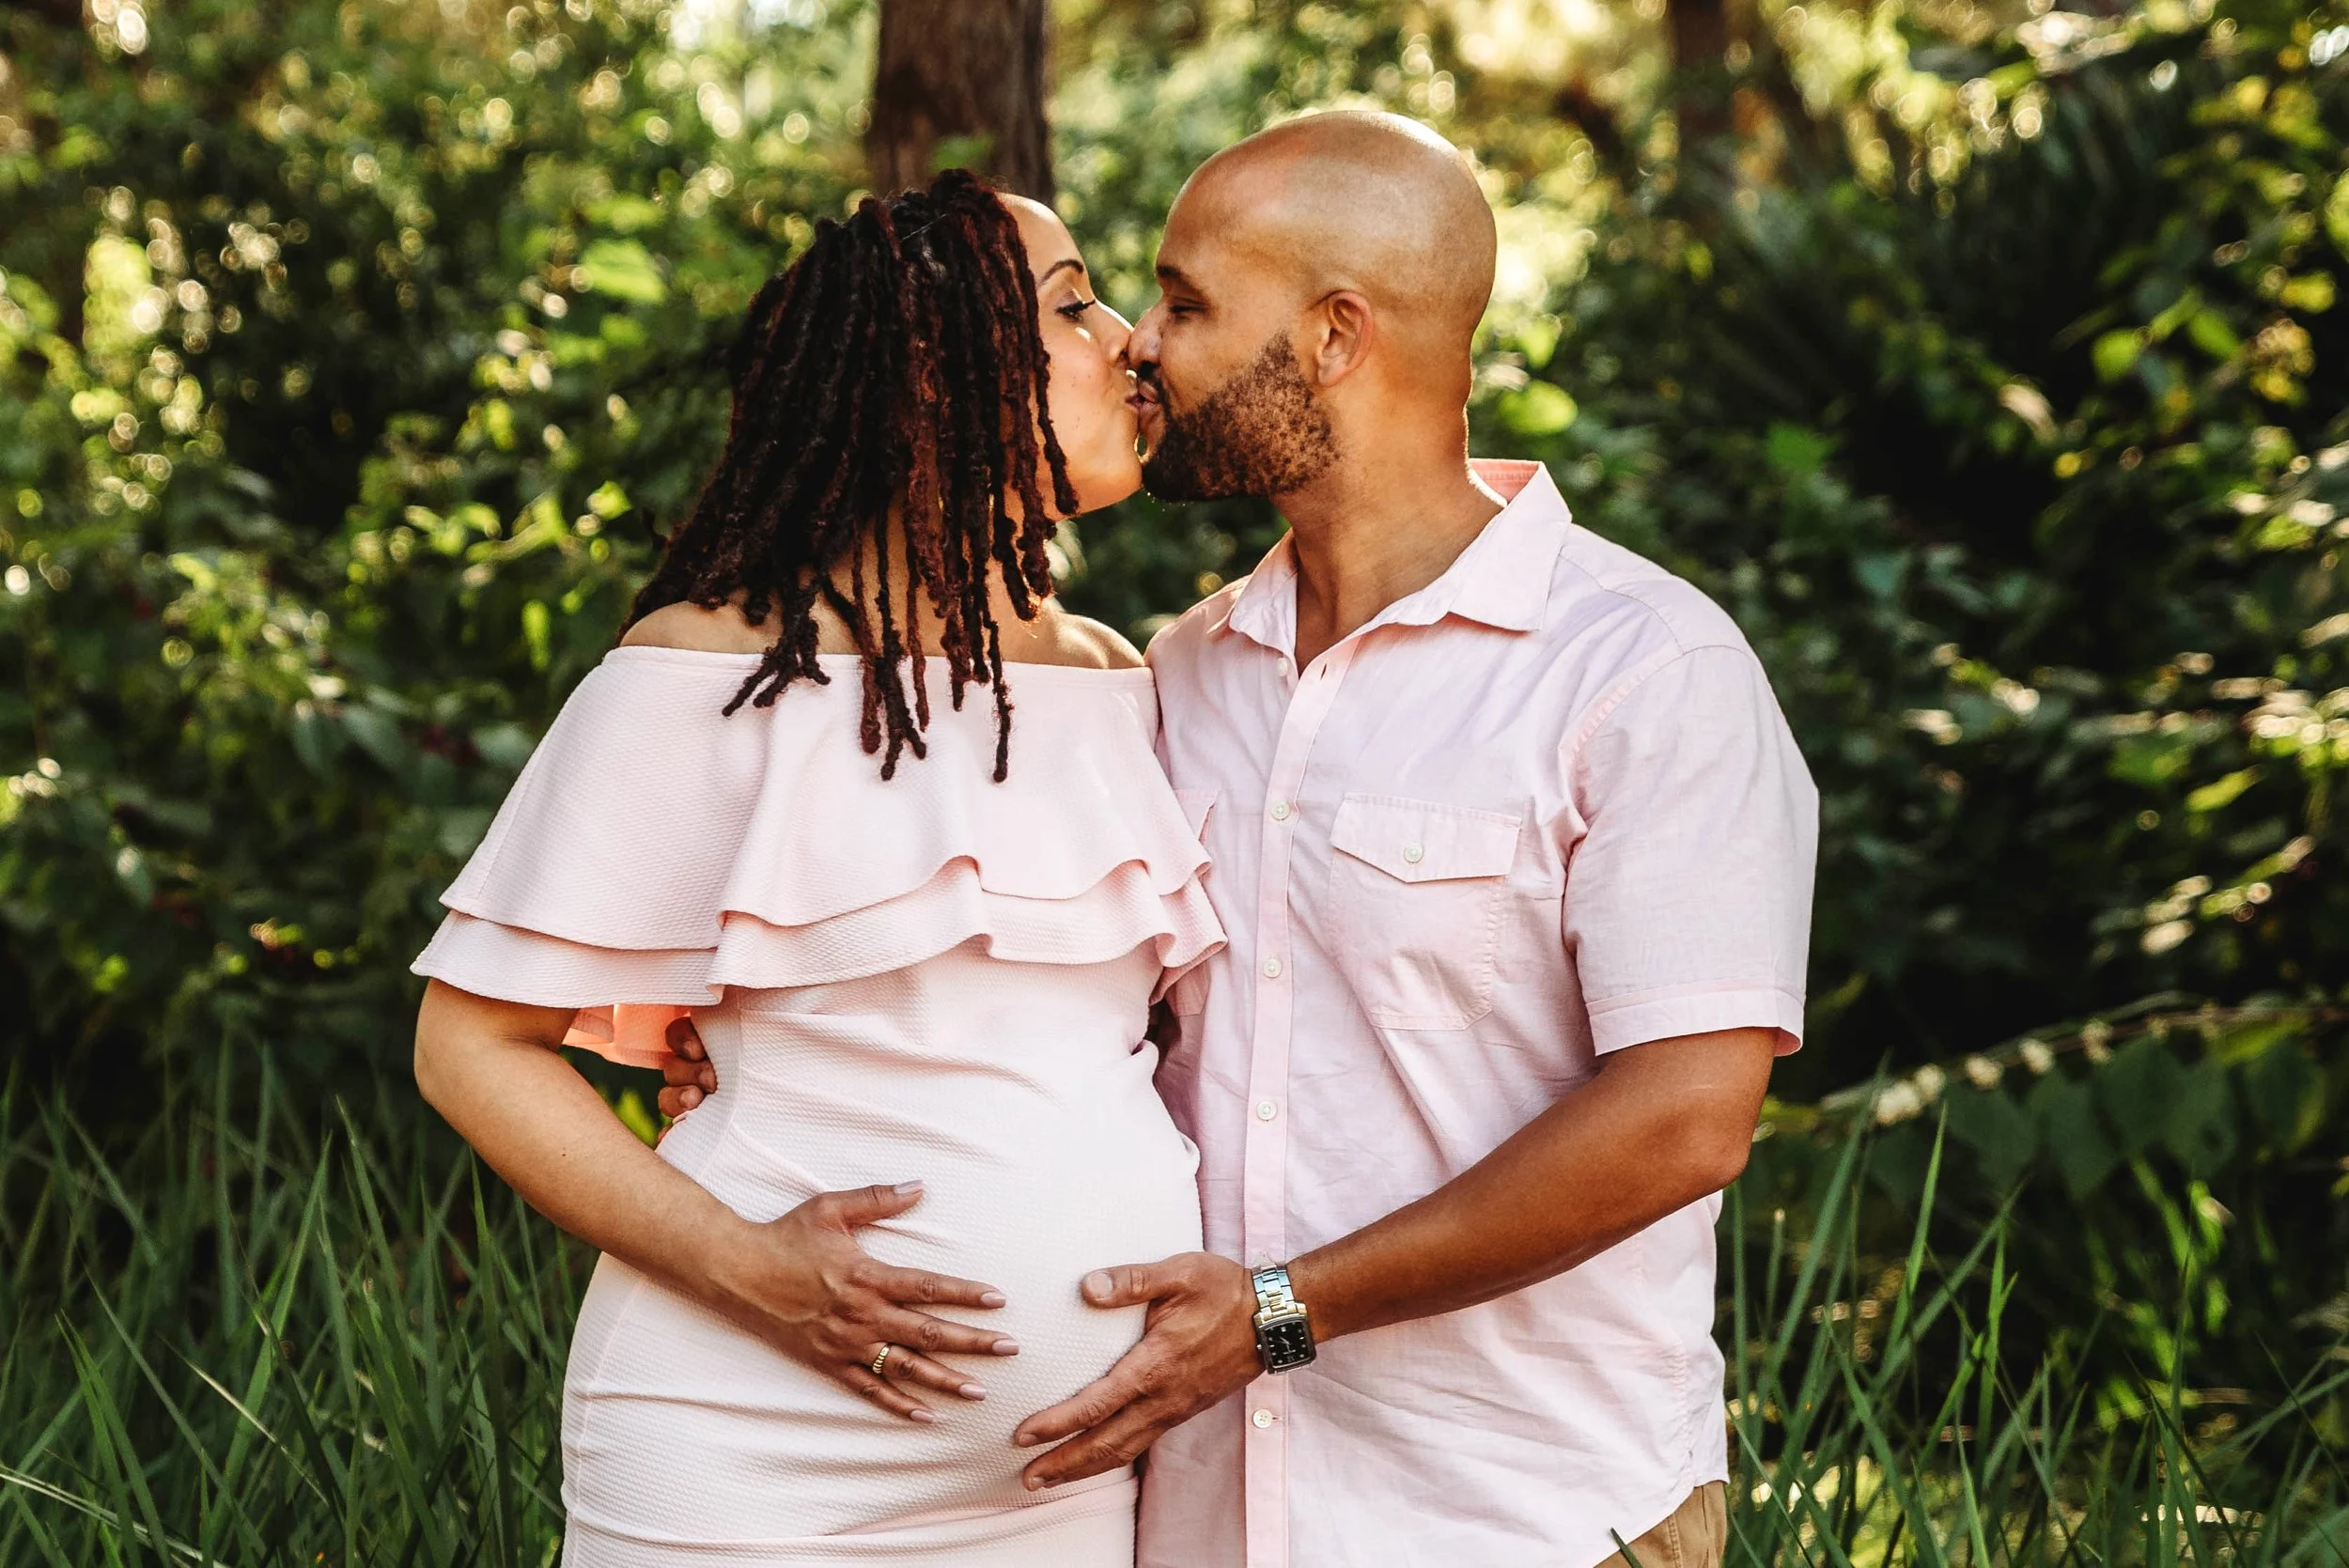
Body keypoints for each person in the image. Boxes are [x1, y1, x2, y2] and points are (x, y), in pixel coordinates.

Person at [661, 112, 1820, 1568]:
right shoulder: (1177, 672)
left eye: (1187, 303)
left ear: (1336, 337)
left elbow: (1685, 1118)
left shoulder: (1644, 670)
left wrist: (1285, 1308)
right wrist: (776, 1044)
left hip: (1522, 1513)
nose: (1140, 344)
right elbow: (1091, 1009)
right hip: (1193, 1514)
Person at [410, 170, 1224, 1566]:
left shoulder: (1120, 681)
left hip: (1067, 1477)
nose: (1128, 341)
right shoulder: (709, 669)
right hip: (753, 1446)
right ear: (932, 374)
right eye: (1073, 304)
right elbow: (470, 1045)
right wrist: (755, 1272)